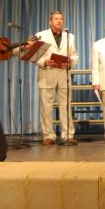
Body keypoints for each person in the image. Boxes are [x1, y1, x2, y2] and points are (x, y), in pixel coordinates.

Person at [35, 11, 79, 145]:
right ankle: (48, 135)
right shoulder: (41, 35)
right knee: (46, 106)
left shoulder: (69, 36)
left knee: (66, 106)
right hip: (47, 73)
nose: (59, 21)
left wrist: (71, 62)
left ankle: (68, 135)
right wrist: (44, 62)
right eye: (56, 19)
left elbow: (74, 55)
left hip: (63, 74)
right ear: (50, 21)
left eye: (61, 18)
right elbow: (35, 56)